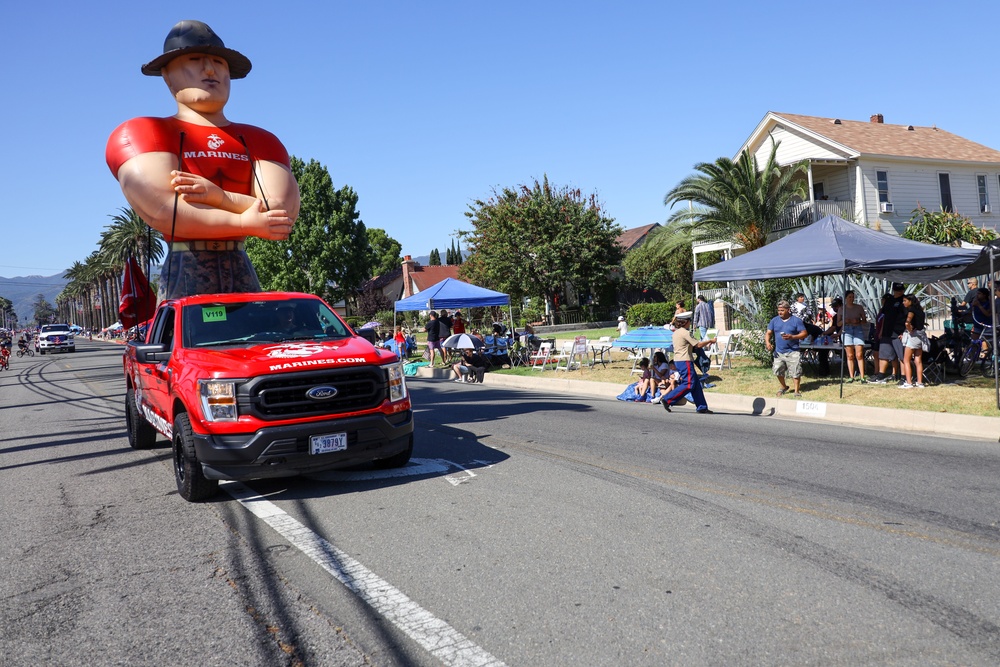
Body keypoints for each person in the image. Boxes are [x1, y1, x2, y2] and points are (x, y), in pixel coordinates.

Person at [106, 20, 300, 300]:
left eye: (219, 63)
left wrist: (219, 197)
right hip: (184, 269)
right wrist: (246, 221)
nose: (210, 70)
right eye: (195, 59)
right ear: (167, 75)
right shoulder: (144, 132)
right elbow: (165, 209)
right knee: (184, 342)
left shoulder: (262, 140)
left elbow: (279, 215)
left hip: (241, 265)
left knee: (253, 339)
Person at [660, 312, 715, 413]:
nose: (690, 322)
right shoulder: (685, 332)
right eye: (689, 321)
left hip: (679, 360)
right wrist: (710, 341)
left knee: (696, 384)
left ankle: (702, 407)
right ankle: (668, 399)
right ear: (685, 322)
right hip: (684, 360)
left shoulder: (676, 332)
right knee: (689, 383)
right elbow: (698, 345)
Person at [766, 300, 808, 398]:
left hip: (793, 351)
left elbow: (804, 333)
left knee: (795, 372)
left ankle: (796, 391)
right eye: (779, 310)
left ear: (788, 310)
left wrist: (792, 337)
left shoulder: (796, 320)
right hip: (779, 351)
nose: (780, 312)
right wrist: (768, 343)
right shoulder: (774, 320)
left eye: (782, 310)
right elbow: (768, 333)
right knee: (777, 370)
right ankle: (784, 386)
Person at [870, 283, 907, 384]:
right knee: (884, 354)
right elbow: (885, 316)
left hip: (898, 332)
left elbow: (908, 317)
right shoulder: (889, 301)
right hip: (887, 331)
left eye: (901, 290)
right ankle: (880, 375)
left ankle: (904, 377)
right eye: (897, 290)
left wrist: (904, 332)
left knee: (902, 356)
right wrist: (881, 330)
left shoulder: (904, 301)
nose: (899, 292)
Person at [838, 290, 868, 382]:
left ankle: (862, 376)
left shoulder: (859, 307)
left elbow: (864, 321)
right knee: (850, 355)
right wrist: (845, 321)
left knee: (859, 354)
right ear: (846, 298)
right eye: (849, 297)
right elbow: (838, 324)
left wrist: (858, 321)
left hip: (857, 330)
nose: (851, 299)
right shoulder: (841, 309)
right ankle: (851, 376)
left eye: (853, 297)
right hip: (847, 330)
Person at [899, 294, 928, 389]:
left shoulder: (911, 311)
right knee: (918, 360)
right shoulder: (920, 311)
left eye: (905, 301)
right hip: (921, 336)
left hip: (913, 336)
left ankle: (909, 382)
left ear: (910, 301)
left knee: (906, 360)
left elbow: (907, 322)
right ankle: (920, 382)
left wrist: (909, 329)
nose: (903, 303)